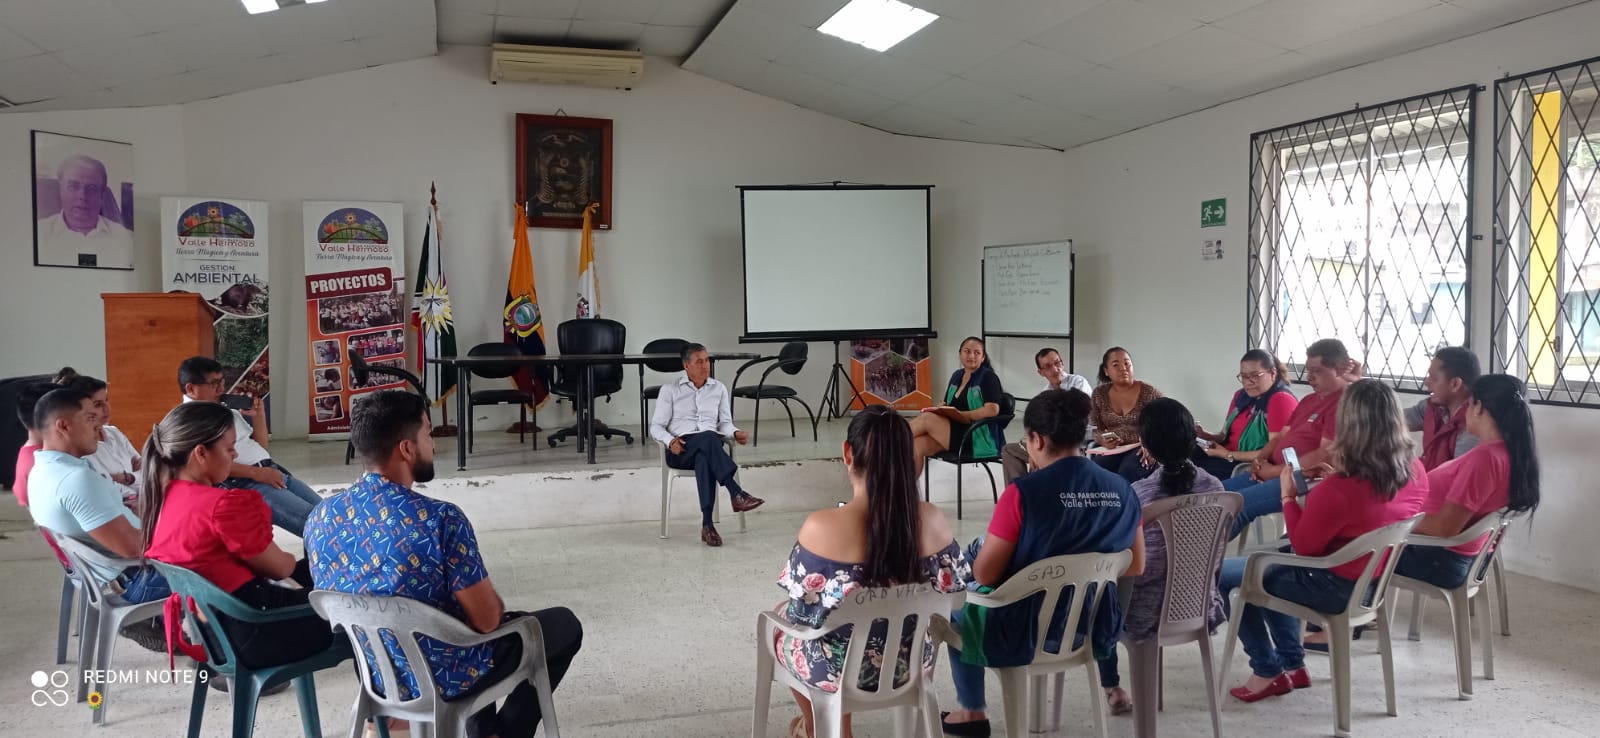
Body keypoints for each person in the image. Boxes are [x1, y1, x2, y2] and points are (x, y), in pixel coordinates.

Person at [306, 391, 582, 738]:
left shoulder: (321, 518)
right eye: (429, 434)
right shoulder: (439, 519)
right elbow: (487, 620)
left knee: (458, 622)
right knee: (559, 625)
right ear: (407, 449)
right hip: (447, 677)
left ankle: (484, 729)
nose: (434, 445)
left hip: (377, 673)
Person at [942, 389, 1145, 735]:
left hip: (1022, 630)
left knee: (954, 604)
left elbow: (985, 574)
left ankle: (972, 712)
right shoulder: (1123, 489)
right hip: (1090, 625)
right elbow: (1136, 565)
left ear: (1036, 439)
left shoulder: (1022, 493)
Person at [1218, 379, 1429, 702]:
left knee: (1225, 575)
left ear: (1348, 424)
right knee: (1270, 561)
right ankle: (1293, 665)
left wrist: (1288, 496)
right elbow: (1368, 513)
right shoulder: (1416, 471)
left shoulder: (1340, 489)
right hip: (1370, 585)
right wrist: (1330, 484)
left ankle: (1267, 669)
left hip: (1328, 587)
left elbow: (1304, 547)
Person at [773, 405, 970, 738]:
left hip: (838, 672)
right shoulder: (934, 520)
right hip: (911, 665)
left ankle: (820, 726)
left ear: (848, 453)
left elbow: (804, 614)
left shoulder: (821, 527)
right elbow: (956, 598)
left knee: (783, 622)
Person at [140, 401, 333, 670]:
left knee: (328, 568)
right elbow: (281, 568)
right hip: (256, 631)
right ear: (201, 453)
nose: (235, 455)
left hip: (214, 632)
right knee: (365, 599)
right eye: (230, 448)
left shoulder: (161, 500)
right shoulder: (221, 505)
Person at [1102, 398, 1228, 710]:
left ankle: (1111, 686)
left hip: (1144, 613)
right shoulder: (1215, 488)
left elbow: (1126, 562)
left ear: (1144, 444)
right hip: (1198, 606)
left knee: (1096, 594)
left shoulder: (1139, 494)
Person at [25, 387, 169, 605]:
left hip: (112, 573)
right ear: (63, 426)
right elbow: (133, 548)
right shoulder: (75, 479)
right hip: (137, 579)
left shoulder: (43, 469)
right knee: (219, 568)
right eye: (90, 418)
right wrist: (180, 530)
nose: (98, 426)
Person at [1394, 374, 1540, 588]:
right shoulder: (1509, 452)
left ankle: (1356, 607)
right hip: (1460, 556)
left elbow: (1445, 528)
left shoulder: (1486, 459)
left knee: (1355, 550)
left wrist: (1394, 521)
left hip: (1441, 559)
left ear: (1478, 407)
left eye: (1469, 404)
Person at [1222, 339, 1359, 538]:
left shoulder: (1344, 403)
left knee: (1237, 504)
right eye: (1308, 370)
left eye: (1316, 371)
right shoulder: (1309, 400)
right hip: (1275, 470)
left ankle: (1200, 554)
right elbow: (1281, 436)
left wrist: (1275, 471)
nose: (1309, 377)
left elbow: (1325, 455)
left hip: (1306, 479)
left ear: (1338, 369)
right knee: (1217, 495)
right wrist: (1261, 459)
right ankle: (1189, 549)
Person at [177, 356, 322, 536]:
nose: (221, 388)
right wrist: (257, 473)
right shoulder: (189, 420)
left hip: (270, 472)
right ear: (191, 389)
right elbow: (210, 465)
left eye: (222, 381)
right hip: (247, 482)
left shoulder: (223, 408)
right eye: (213, 384)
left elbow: (261, 446)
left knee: (327, 511)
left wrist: (258, 415)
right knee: (317, 525)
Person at [649, 342, 764, 547]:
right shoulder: (670, 390)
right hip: (681, 449)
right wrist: (669, 441)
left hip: (708, 448)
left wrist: (735, 432)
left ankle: (707, 526)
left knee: (705, 455)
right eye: (699, 362)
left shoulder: (718, 388)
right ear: (686, 365)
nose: (705, 365)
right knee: (709, 438)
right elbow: (656, 426)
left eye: (707, 360)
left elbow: (724, 423)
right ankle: (736, 493)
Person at [1193, 350, 1299, 480]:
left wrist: (1227, 454)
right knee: (1183, 452)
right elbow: (1223, 436)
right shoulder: (1241, 395)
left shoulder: (1280, 399)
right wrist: (1205, 435)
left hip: (1246, 464)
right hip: (1226, 455)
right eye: (1243, 376)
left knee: (1192, 471)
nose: (1248, 382)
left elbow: (1274, 453)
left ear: (1273, 373)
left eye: (1255, 375)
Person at [910, 336, 1004, 475]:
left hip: (974, 436)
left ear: (983, 357)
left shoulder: (988, 377)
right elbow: (948, 404)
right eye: (967, 351)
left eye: (977, 353)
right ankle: (908, 488)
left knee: (927, 419)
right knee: (916, 446)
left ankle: (886, 439)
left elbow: (992, 410)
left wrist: (964, 415)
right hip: (954, 431)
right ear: (960, 354)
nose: (971, 356)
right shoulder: (957, 375)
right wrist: (942, 407)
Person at [1001, 347, 1093, 484]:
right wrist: (1033, 450)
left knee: (1042, 458)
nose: (1055, 369)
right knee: (1009, 450)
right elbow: (1038, 425)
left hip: (1074, 444)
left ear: (1062, 363)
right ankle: (1019, 493)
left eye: (1057, 363)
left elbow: (1073, 420)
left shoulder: (1078, 383)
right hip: (1048, 444)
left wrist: (1038, 451)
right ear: (1041, 372)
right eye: (1048, 366)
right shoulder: (1044, 393)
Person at [55, 368, 141, 502]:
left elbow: (149, 472)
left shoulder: (114, 432)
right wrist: (133, 478)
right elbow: (105, 487)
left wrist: (126, 478)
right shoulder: (81, 445)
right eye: (98, 405)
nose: (107, 408)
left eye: (106, 400)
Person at [36, 154, 132, 268]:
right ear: (61, 190)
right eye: (73, 186)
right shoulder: (39, 234)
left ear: (101, 195)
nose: (82, 196)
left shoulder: (125, 238)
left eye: (91, 188)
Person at [1088, 347, 1163, 482]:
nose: (1123, 368)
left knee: (1129, 470)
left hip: (1142, 447)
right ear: (1106, 370)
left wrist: (1153, 447)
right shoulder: (1099, 394)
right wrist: (1102, 439)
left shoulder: (1149, 392)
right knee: (1097, 469)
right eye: (1116, 365)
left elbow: (1165, 423)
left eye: (1127, 363)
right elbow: (1095, 428)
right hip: (1114, 449)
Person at [1405, 347, 1481, 470]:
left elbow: (1457, 476)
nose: (1426, 382)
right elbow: (1392, 420)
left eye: (1433, 378)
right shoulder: (1432, 407)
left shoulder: (1473, 429)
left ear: (1455, 384)